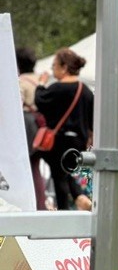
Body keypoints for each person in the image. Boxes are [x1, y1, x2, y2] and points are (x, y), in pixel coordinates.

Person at [34, 48, 94, 211]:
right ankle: (80, 197)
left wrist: (41, 84)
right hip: (78, 141)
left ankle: (64, 210)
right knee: (66, 172)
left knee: (59, 175)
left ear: (64, 67)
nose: (52, 69)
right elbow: (92, 118)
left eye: (54, 65)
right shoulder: (85, 90)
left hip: (59, 139)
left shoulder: (57, 88)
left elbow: (40, 101)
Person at [16, 47, 48, 210]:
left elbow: (17, 103)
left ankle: (31, 205)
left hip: (27, 124)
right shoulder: (41, 80)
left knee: (27, 166)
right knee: (35, 165)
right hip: (41, 125)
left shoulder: (20, 81)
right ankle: (40, 204)